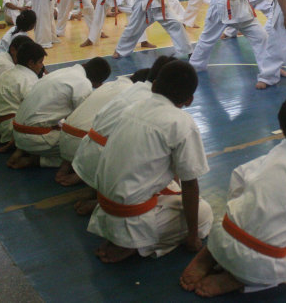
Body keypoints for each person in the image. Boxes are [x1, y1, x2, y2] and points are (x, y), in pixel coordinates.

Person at [87, 60, 213, 263]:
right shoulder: (181, 122)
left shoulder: (133, 107)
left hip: (105, 205)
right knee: (204, 213)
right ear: (189, 100)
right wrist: (192, 236)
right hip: (128, 217)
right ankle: (136, 244)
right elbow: (190, 183)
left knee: (168, 183)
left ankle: (124, 235)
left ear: (154, 85)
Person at [180, 98, 286, 297]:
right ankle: (236, 279)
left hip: (222, 236)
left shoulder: (277, 153)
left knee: (245, 210)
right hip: (260, 264)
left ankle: (210, 255)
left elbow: (238, 177)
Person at [72, 55, 176, 215]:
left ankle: (96, 193)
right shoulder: (153, 104)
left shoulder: (132, 88)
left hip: (86, 153)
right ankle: (100, 203)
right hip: (105, 166)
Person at [7, 57, 111, 169]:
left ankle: (23, 150)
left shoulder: (63, 72)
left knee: (60, 124)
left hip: (17, 132)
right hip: (34, 137)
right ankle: (36, 160)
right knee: (89, 149)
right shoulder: (83, 84)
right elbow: (80, 124)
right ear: (97, 83)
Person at [56, 72, 138, 186]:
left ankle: (65, 166)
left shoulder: (108, 84)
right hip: (85, 144)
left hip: (64, 136)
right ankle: (81, 175)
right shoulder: (134, 96)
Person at [0, 41, 46, 151]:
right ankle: (23, 152)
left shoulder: (8, 73)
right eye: (40, 62)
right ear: (31, 63)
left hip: (3, 126)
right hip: (15, 128)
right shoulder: (28, 79)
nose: (41, 66)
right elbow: (36, 109)